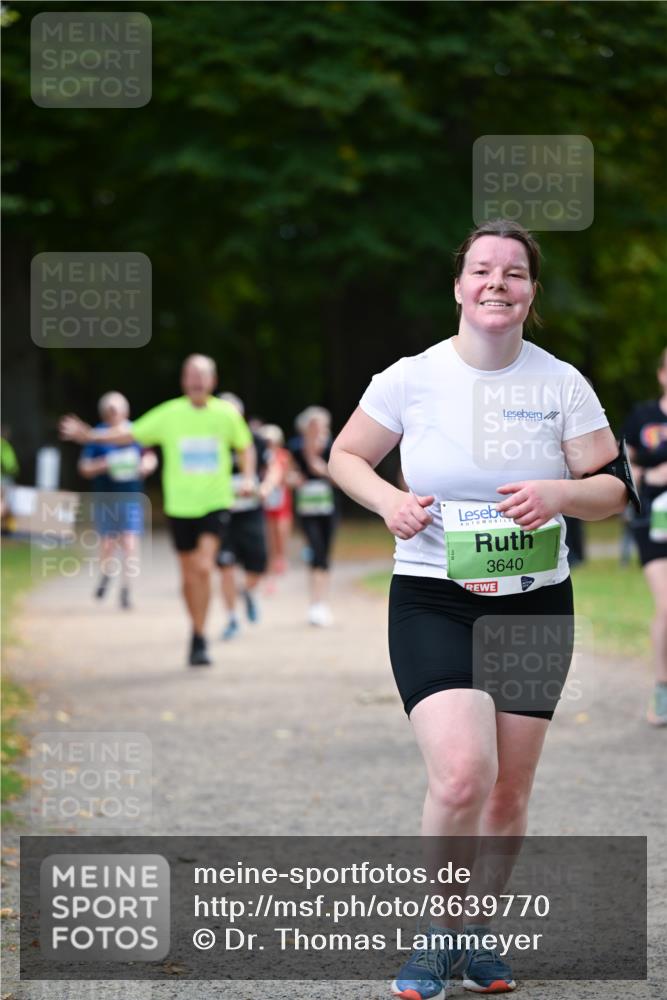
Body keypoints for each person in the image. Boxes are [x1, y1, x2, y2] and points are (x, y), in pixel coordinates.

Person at [329, 219, 630, 998]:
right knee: (464, 774)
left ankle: (477, 931)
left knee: (508, 789)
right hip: (433, 595)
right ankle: (436, 932)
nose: (496, 282)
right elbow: (345, 455)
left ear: (531, 293)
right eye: (481, 269)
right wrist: (389, 501)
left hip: (533, 605)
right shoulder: (411, 377)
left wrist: (556, 494)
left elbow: (609, 489)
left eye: (514, 273)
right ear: (458, 285)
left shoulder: (560, 382)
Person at [60, 355, 254, 666]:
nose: (197, 381)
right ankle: (197, 632)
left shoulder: (227, 414)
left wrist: (246, 476)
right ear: (183, 381)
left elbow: (245, 445)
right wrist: (92, 435)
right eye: (191, 375)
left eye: (202, 375)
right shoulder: (170, 414)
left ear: (213, 381)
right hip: (180, 507)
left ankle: (201, 637)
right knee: (189, 576)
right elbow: (129, 433)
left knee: (205, 567)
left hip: (215, 503)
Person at [78, 391, 157, 609]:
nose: (114, 413)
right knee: (108, 544)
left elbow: (150, 456)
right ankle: (106, 574)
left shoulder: (135, 432)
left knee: (130, 542)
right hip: (106, 497)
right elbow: (84, 468)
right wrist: (104, 464)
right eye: (110, 410)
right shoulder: (97, 436)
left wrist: (147, 465)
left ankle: (126, 590)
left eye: (117, 409)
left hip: (131, 497)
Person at [622, 348, 667, 725]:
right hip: (654, 523)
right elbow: (625, 465)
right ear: (662, 375)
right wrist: (648, 477)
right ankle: (663, 688)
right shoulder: (643, 417)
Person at [215, 394, 277, 640]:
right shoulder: (212, 441)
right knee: (226, 566)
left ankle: (247, 593)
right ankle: (231, 618)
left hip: (251, 513)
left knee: (258, 565)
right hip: (221, 515)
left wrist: (266, 487)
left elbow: (273, 468)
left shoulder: (256, 441)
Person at [289, 406, 338, 627]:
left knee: (325, 553)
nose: (317, 430)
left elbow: (342, 478)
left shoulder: (335, 448)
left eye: (321, 425)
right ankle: (316, 604)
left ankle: (322, 603)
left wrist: (324, 471)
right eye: (313, 425)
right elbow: (287, 474)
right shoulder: (296, 449)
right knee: (316, 550)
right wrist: (294, 479)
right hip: (307, 509)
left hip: (329, 508)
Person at [261, 423, 293, 582]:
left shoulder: (283, 455)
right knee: (269, 534)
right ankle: (271, 564)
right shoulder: (262, 455)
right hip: (266, 500)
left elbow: (286, 476)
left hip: (281, 500)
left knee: (281, 531)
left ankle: (281, 559)